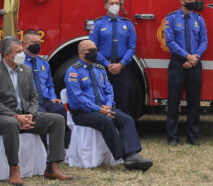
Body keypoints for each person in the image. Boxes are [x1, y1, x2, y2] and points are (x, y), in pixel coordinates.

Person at [0, 37, 72, 184]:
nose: (22, 54)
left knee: (57, 119)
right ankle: (14, 169)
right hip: (0, 116)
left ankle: (52, 167)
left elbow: (33, 97)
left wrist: (30, 113)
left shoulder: (26, 70)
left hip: (25, 114)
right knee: (11, 123)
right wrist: (17, 117)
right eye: (18, 52)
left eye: (21, 51)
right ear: (6, 55)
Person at [65, 40, 152, 171]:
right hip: (83, 113)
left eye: (95, 50)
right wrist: (99, 109)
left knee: (126, 119)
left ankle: (133, 154)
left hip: (104, 108)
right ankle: (124, 157)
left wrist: (108, 105)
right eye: (91, 51)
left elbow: (109, 90)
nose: (95, 53)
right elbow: (78, 99)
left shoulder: (99, 69)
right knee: (106, 121)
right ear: (81, 53)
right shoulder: (73, 72)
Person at [165, 0, 207, 146]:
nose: (192, 2)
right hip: (177, 63)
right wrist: (187, 56)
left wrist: (194, 57)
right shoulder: (171, 18)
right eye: (189, 0)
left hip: (195, 63)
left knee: (194, 101)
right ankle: (172, 137)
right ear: (181, 1)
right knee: (173, 101)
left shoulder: (199, 19)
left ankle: (193, 137)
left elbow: (204, 41)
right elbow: (170, 42)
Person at [89, 0, 137, 115]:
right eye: (112, 3)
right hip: (102, 68)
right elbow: (93, 48)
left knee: (123, 100)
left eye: (117, 3)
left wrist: (121, 64)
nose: (115, 6)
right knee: (102, 100)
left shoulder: (128, 24)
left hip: (122, 68)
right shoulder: (98, 24)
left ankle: (122, 131)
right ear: (105, 5)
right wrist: (107, 64)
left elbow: (131, 47)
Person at [21, 30, 70, 147]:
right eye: (33, 42)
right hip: (31, 103)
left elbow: (49, 84)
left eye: (38, 42)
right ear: (24, 44)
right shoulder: (19, 63)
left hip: (46, 100)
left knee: (62, 111)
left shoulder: (44, 63)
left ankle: (60, 148)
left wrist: (53, 97)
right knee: (42, 117)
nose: (37, 45)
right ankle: (44, 150)